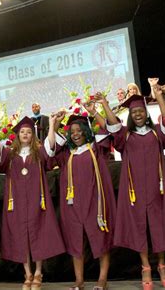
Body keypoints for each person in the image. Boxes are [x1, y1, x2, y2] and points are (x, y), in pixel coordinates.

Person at [100, 90, 165, 290]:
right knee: (138, 226)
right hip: (133, 190)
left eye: (140, 111)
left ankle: (162, 266)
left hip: (156, 188)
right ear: (130, 116)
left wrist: (160, 96)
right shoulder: (125, 136)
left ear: (146, 113)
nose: (137, 114)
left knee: (160, 226)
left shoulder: (156, 133)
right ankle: (145, 267)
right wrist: (105, 105)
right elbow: (114, 126)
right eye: (133, 112)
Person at [0, 116, 65, 290]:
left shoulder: (38, 153)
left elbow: (51, 147)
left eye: (29, 132)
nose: (25, 134)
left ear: (33, 135)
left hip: (36, 201)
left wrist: (53, 125)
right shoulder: (10, 154)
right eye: (22, 132)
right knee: (20, 236)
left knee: (38, 234)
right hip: (16, 202)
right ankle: (28, 274)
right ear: (17, 135)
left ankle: (38, 272)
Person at [47, 106, 116, 290]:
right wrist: (54, 124)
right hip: (73, 205)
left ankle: (102, 279)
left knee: (100, 237)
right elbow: (51, 150)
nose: (75, 134)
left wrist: (94, 112)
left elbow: (110, 128)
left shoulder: (97, 149)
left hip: (95, 203)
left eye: (79, 131)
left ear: (86, 132)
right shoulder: (66, 155)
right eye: (72, 132)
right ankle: (79, 281)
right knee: (75, 241)